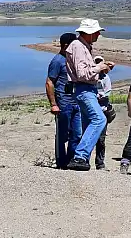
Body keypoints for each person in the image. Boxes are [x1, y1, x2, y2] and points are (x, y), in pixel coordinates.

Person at [65, 19, 114, 171]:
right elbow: (82, 74)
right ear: (89, 33)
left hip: (86, 89)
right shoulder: (78, 47)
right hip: (84, 89)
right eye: (97, 32)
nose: (99, 34)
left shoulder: (84, 46)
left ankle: (81, 159)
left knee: (88, 126)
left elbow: (86, 72)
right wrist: (99, 67)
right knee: (99, 120)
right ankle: (80, 156)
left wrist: (101, 69)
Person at [45, 33, 82, 169]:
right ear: (66, 46)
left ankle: (72, 160)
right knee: (62, 135)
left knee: (77, 134)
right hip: (63, 103)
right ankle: (61, 163)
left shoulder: (74, 60)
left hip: (76, 102)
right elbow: (49, 83)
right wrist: (53, 104)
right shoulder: (57, 61)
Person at [94, 56, 114, 171]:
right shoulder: (90, 76)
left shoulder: (106, 78)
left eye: (99, 63)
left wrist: (101, 96)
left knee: (101, 139)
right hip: (91, 111)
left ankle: (100, 163)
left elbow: (108, 92)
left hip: (102, 111)